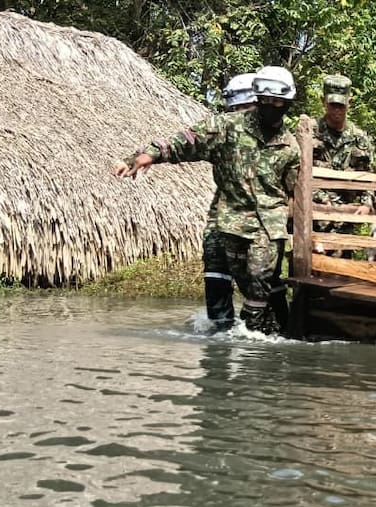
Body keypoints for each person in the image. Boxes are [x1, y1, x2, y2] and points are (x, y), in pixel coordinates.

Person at [113, 66, 301, 335]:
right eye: (266, 100)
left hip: (269, 226)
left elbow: (292, 188)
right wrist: (147, 155)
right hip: (232, 222)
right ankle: (240, 333)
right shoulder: (226, 127)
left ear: (287, 102)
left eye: (277, 102)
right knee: (234, 279)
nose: (271, 106)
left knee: (260, 280)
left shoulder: (290, 146)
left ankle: (259, 332)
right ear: (258, 99)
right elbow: (187, 141)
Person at [308, 74, 376, 256]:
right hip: (313, 218)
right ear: (323, 101)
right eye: (332, 104)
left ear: (349, 103)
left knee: (341, 270)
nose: (337, 110)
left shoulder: (359, 139)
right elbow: (295, 174)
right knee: (307, 269)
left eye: (341, 105)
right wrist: (322, 200)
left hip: (345, 220)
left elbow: (368, 177)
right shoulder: (309, 132)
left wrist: (366, 204)